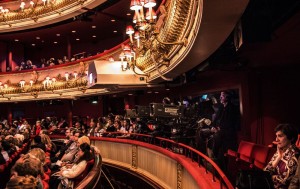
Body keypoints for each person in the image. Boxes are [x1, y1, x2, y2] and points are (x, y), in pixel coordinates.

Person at [209, 91, 240, 170]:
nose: (220, 98)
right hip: (220, 133)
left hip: (228, 135)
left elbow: (231, 123)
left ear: (227, 97)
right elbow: (215, 120)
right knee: (206, 133)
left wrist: (219, 128)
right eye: (220, 96)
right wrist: (213, 126)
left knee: (217, 137)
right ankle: (212, 156)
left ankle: (213, 155)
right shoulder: (221, 107)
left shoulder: (232, 108)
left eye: (222, 96)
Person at [264, 123, 299, 189]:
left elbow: (283, 182)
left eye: (280, 136)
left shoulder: (296, 155)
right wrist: (278, 157)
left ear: (291, 138)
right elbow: (266, 172)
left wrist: (270, 177)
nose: (276, 140)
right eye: (276, 136)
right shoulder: (280, 151)